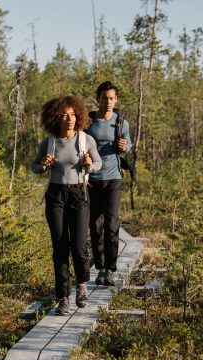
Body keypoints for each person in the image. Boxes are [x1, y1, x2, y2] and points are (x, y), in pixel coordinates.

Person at [31, 96, 102, 315]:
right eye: (64, 114)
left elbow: (98, 163)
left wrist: (90, 165)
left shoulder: (85, 140)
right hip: (55, 195)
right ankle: (62, 298)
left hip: (79, 194)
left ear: (78, 116)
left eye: (73, 114)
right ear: (56, 118)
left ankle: (81, 285)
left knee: (79, 247)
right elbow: (34, 167)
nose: (69, 118)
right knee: (60, 248)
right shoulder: (49, 142)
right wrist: (43, 165)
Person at [87, 81, 132, 286]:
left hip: (114, 178)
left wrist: (124, 146)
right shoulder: (88, 122)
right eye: (104, 98)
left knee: (112, 222)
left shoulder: (121, 122)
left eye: (111, 98)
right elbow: (79, 144)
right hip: (93, 179)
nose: (108, 102)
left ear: (116, 99)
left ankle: (111, 269)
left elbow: (127, 143)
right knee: (95, 225)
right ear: (98, 99)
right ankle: (100, 268)